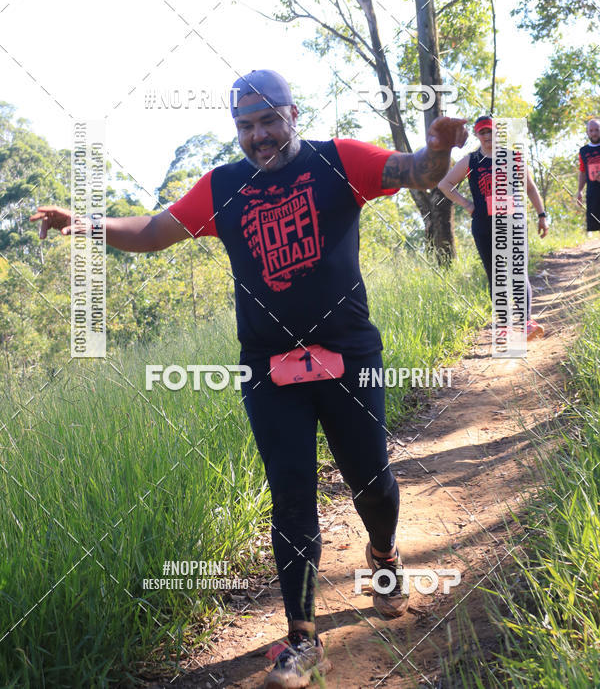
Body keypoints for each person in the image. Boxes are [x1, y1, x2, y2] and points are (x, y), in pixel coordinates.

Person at [31, 69, 467, 689]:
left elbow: (417, 171)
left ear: (294, 114)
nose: (258, 135)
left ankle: (384, 555)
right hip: (268, 367)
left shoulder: (338, 160)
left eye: (268, 120)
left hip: (348, 354)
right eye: (245, 125)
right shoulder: (223, 186)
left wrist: (440, 149)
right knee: (290, 496)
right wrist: (86, 223)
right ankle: (303, 640)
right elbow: (155, 231)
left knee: (370, 479)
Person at [438, 114, 548, 342]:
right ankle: (505, 326)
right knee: (496, 276)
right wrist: (467, 204)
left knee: (518, 272)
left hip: (514, 222)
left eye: (490, 131)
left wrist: (541, 215)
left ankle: (526, 322)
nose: (487, 136)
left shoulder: (514, 157)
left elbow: (530, 188)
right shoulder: (471, 161)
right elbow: (445, 184)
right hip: (484, 225)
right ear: (477, 135)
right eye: (482, 132)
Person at [576, 118, 600, 232]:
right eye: (591, 130)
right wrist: (580, 190)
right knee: (596, 221)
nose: (594, 133)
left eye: (597, 130)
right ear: (587, 132)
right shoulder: (583, 151)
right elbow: (582, 171)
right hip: (593, 192)